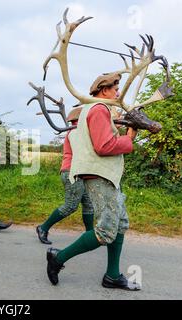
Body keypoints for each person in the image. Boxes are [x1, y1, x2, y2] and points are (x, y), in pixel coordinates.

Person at [46, 72, 141, 291]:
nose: (118, 93)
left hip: (105, 175)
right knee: (106, 231)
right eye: (115, 89)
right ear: (104, 90)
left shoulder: (94, 110)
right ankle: (58, 259)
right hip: (100, 176)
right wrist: (129, 139)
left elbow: (104, 140)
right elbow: (104, 146)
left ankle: (112, 275)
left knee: (120, 224)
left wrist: (123, 134)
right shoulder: (99, 109)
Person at [36, 107, 94, 244]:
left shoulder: (79, 131)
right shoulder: (75, 132)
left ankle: (91, 235)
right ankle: (43, 228)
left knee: (89, 204)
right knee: (71, 206)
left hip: (81, 172)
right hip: (72, 172)